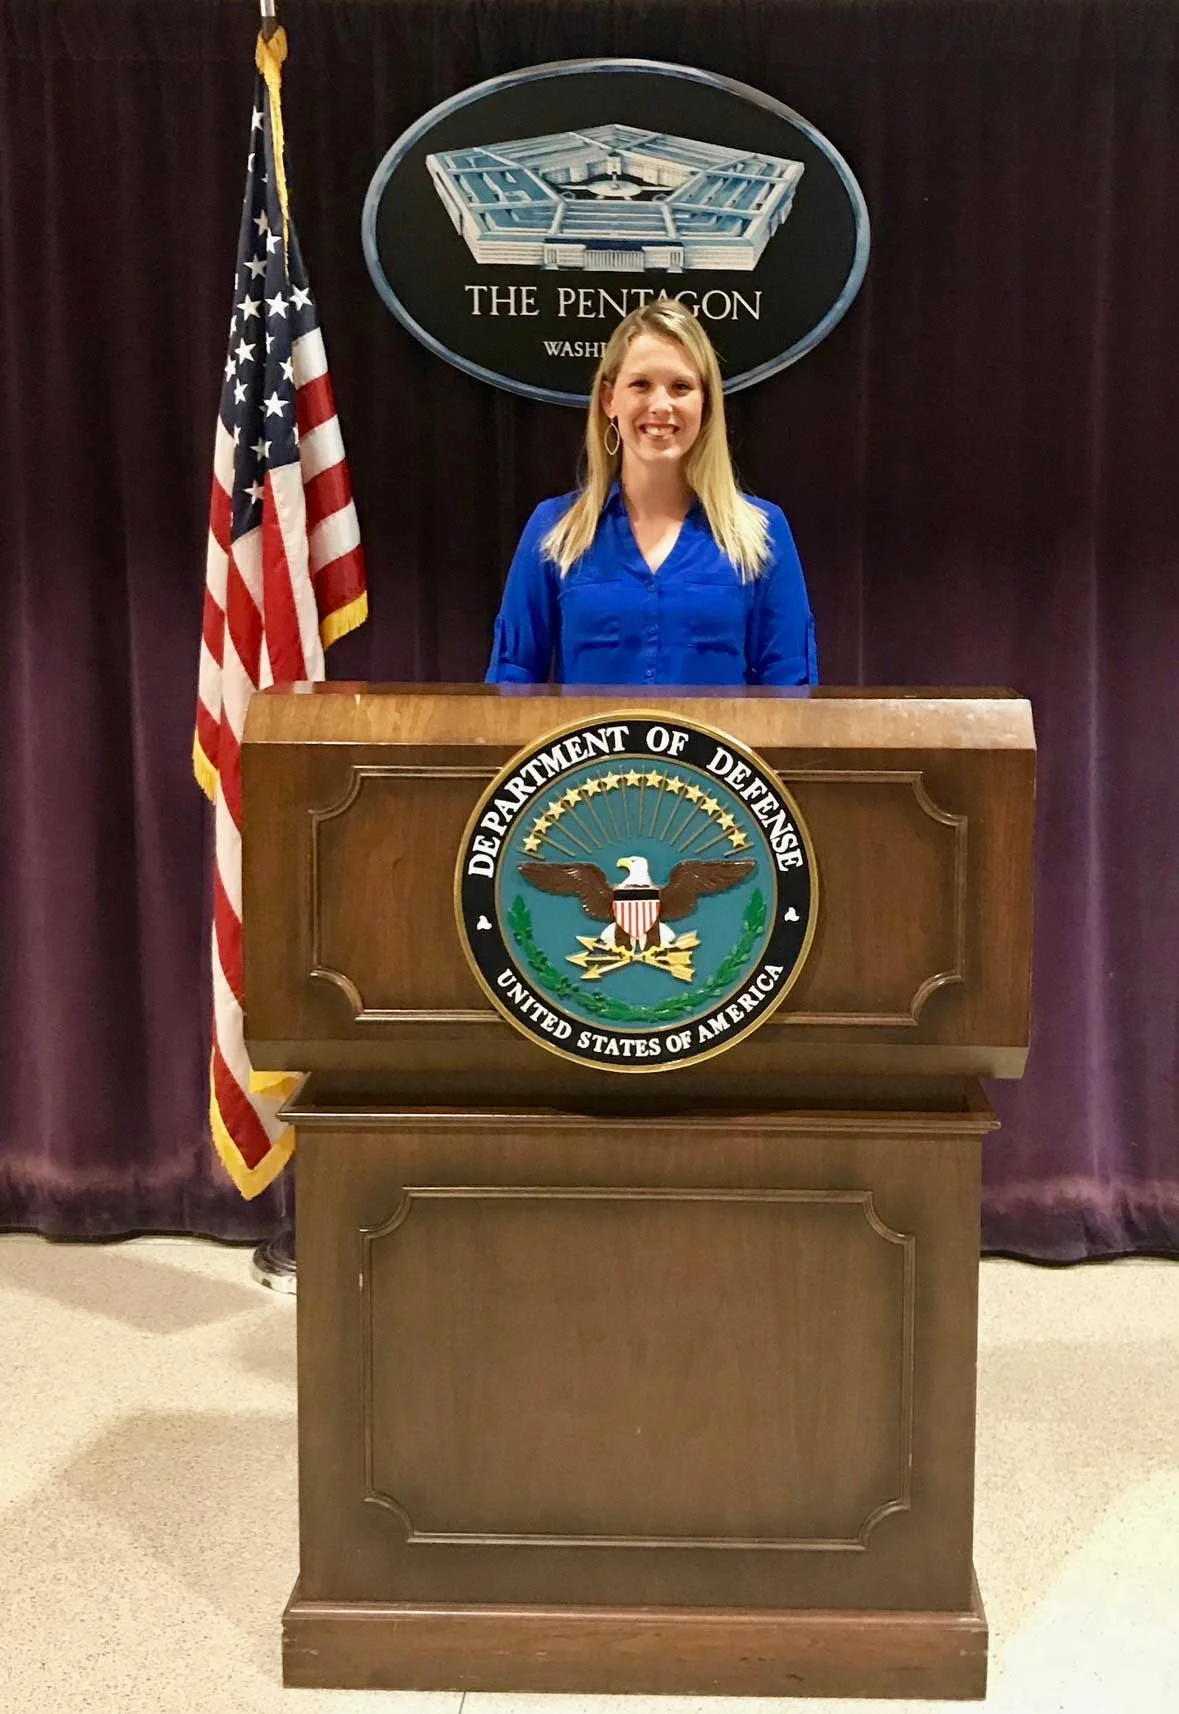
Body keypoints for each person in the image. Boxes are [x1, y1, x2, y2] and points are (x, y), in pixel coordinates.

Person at [485, 299, 818, 687]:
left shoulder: (763, 533)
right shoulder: (554, 531)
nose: (661, 405)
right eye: (641, 385)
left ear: (706, 403)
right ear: (610, 399)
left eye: (681, 387)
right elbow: (512, 680)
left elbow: (790, 688)